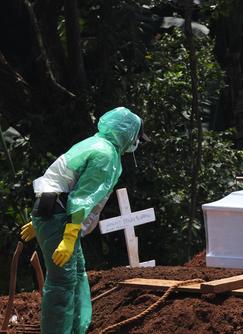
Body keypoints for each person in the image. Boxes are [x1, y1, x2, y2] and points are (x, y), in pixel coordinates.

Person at [20, 107, 148, 334]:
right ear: (126, 133)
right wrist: (67, 236)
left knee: (77, 273)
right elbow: (81, 198)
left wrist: (39, 221)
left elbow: (59, 181)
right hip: (60, 218)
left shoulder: (92, 143)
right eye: (136, 137)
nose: (136, 143)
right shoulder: (106, 154)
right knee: (62, 281)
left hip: (52, 213)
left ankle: (78, 328)